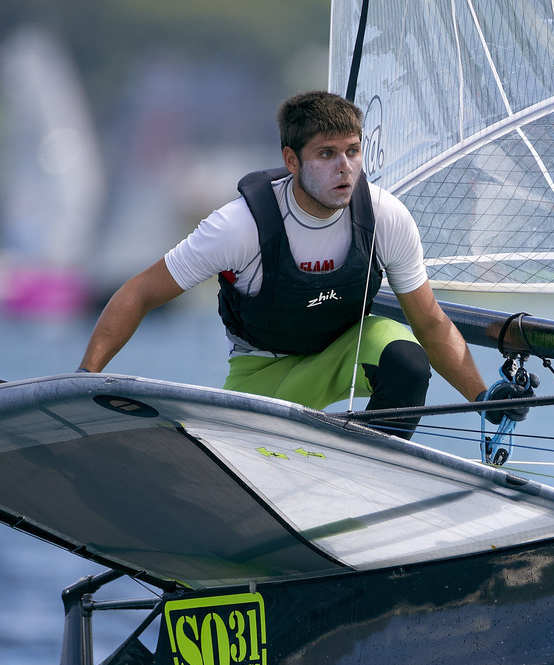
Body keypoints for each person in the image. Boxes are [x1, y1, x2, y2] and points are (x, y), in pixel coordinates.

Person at [78, 90, 492, 439]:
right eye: (326, 154)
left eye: (352, 151)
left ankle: (371, 472)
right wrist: (83, 379)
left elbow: (431, 323)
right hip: (264, 371)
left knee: (407, 359)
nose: (345, 167)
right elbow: (139, 293)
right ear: (291, 161)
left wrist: (484, 400)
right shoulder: (238, 227)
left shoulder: (386, 217)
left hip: (345, 355)